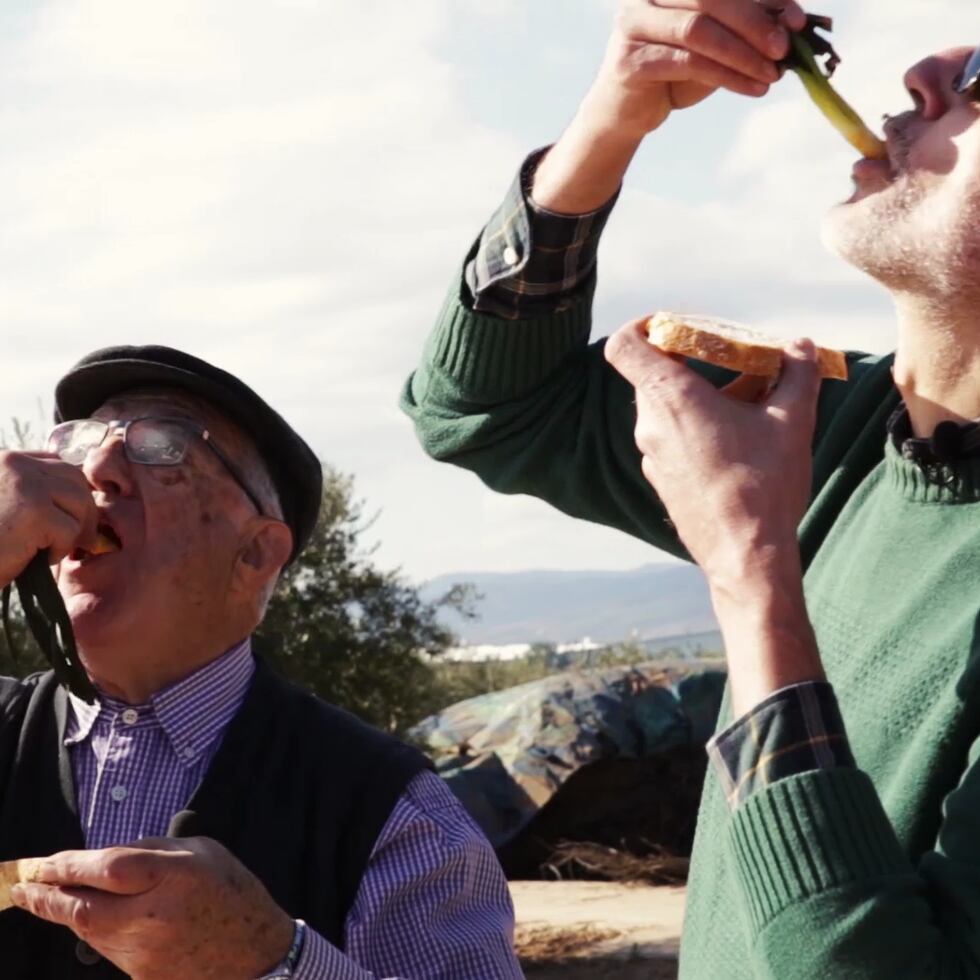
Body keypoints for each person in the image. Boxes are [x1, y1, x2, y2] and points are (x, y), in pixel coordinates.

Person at [403, 0, 980, 975]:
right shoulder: (838, 427)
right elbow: (488, 410)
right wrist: (611, 120)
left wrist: (751, 576)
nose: (926, 69)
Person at [0, 345, 522, 979]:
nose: (97, 470)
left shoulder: (392, 815)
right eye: (78, 444)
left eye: (162, 445)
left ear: (254, 556)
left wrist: (272, 964)